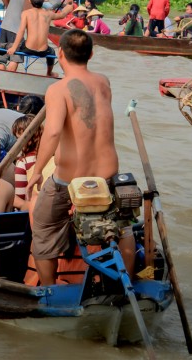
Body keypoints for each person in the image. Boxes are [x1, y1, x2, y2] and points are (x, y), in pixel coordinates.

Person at [26, 29, 132, 285]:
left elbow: (51, 133)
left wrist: (38, 170)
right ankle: (125, 281)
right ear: (91, 54)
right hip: (107, 178)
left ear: (60, 53)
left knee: (43, 229)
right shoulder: (103, 82)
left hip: (69, 181)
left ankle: (50, 289)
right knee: (124, 228)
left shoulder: (57, 89)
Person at [5, 0, 62, 76]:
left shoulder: (26, 13)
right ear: (43, 0)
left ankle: (10, 72)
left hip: (28, 49)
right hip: (44, 51)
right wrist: (69, 8)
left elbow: (21, 31)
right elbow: (62, 15)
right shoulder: (49, 14)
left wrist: (14, 48)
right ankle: (49, 73)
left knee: (16, 50)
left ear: (29, 1)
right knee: (52, 52)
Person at [11, 113, 44, 211]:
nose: (17, 142)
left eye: (18, 139)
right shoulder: (51, 156)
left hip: (30, 210)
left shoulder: (23, 163)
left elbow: (20, 197)